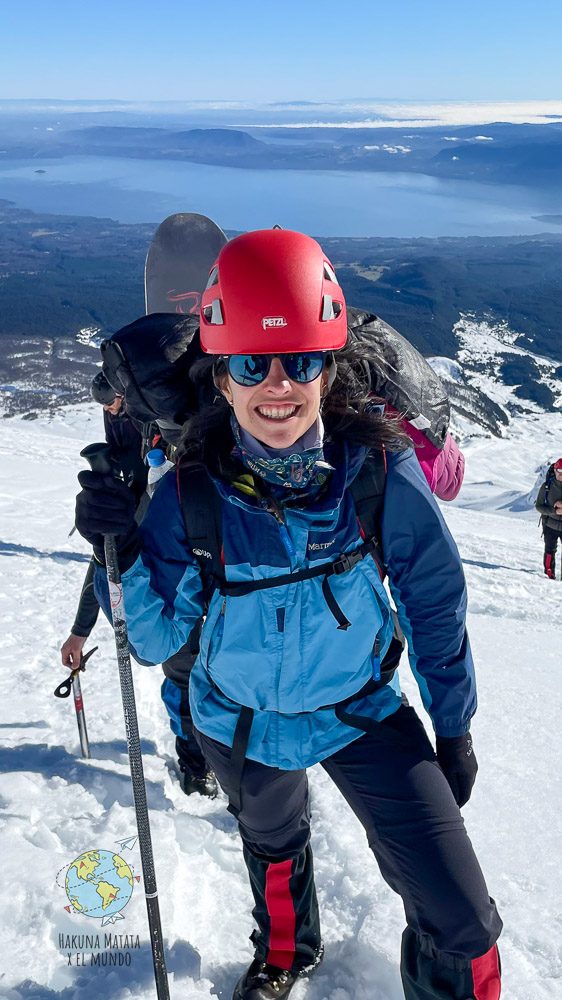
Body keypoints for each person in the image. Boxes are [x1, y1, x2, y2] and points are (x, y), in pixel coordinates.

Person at [75, 229, 502, 1000]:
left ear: (329, 367)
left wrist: (455, 724)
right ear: (223, 378)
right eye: (250, 364)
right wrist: (125, 552)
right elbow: (156, 639)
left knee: (464, 920)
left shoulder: (376, 472)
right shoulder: (188, 495)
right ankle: (286, 953)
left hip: (361, 711)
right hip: (241, 718)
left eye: (300, 360)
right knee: (272, 846)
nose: (279, 385)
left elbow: (435, 598)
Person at [63, 372, 216, 796]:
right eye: (106, 403)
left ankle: (229, 766)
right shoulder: (128, 466)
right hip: (169, 598)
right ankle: (195, 762)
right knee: (187, 682)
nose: (111, 409)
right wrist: (81, 629)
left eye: (114, 400)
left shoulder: (172, 445)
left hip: (217, 588)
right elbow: (110, 557)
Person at [535, 457, 562, 579]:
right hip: (550, 525)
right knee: (550, 551)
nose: (561, 473)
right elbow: (539, 506)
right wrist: (555, 511)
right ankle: (549, 575)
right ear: (555, 470)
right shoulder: (547, 487)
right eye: (559, 470)